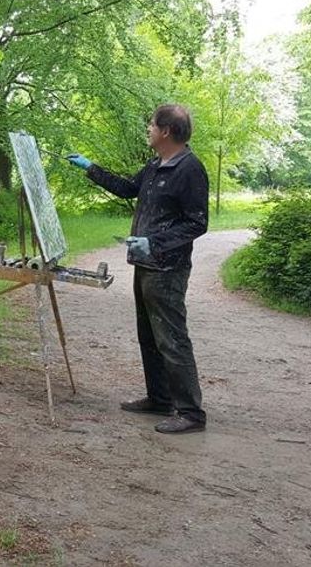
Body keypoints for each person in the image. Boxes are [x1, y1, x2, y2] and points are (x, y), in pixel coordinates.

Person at [66, 104, 209, 434]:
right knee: (149, 337)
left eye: (151, 125)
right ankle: (160, 398)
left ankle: (190, 413)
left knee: (172, 340)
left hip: (167, 269)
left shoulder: (190, 169)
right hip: (145, 265)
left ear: (167, 132)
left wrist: (155, 243)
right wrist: (91, 168)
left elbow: (197, 223)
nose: (148, 129)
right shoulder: (156, 164)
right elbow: (128, 188)